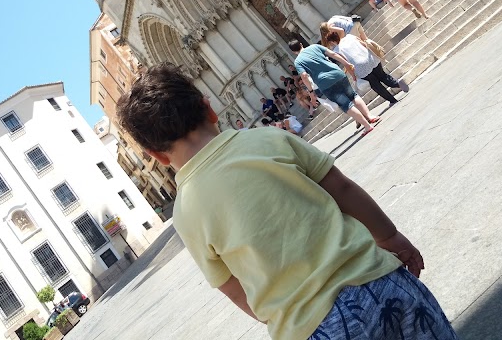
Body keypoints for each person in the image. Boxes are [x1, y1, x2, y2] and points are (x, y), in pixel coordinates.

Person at [116, 63, 458, 340]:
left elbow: (232, 289)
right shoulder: (268, 139)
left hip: (313, 329)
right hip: (376, 278)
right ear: (209, 108)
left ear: (156, 155)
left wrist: (284, 321)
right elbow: (343, 189)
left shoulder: (186, 214)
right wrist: (389, 237)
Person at [289, 40, 380, 135]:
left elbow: (304, 75)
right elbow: (333, 54)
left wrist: (311, 92)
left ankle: (367, 126)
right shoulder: (314, 47)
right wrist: (346, 64)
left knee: (345, 104)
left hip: (325, 83)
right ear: (301, 44)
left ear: (293, 51)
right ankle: (370, 116)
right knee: (353, 96)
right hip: (337, 73)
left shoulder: (298, 61)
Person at [326, 32, 409, 106]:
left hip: (360, 67)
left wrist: (354, 77)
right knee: (383, 76)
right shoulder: (349, 37)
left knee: (376, 85)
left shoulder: (336, 51)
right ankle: (397, 83)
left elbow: (347, 64)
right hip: (370, 58)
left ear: (332, 41)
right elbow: (364, 44)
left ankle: (392, 100)